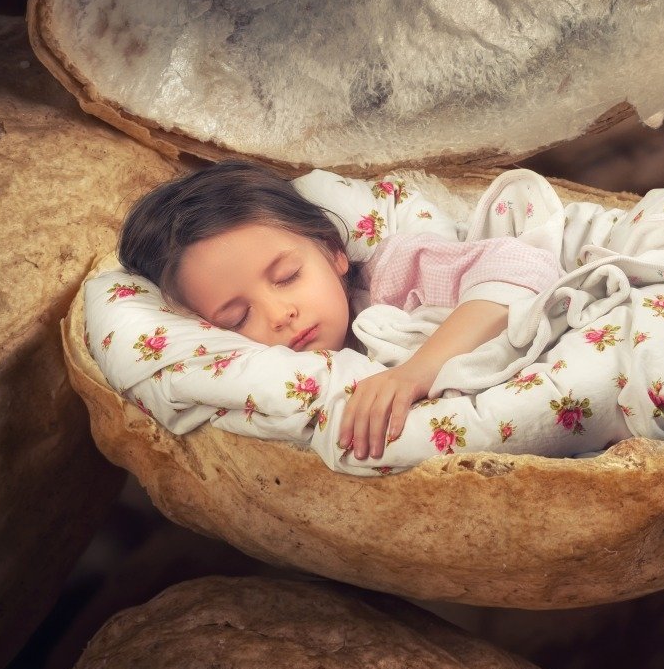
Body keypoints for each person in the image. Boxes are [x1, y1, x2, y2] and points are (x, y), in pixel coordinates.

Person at [117, 160, 562, 462]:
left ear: (333, 253)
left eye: (288, 276)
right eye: (237, 318)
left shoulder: (394, 276)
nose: (280, 314)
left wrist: (418, 371)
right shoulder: (281, 388)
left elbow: (522, 264)